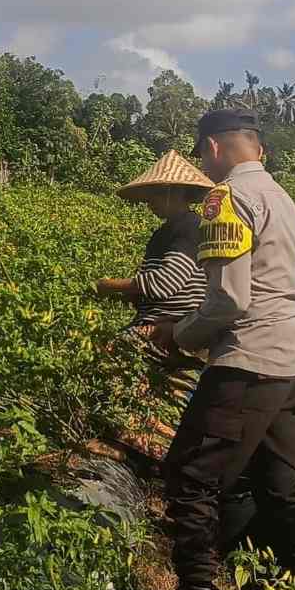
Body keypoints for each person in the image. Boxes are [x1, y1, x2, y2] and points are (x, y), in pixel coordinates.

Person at [158, 109, 295, 590]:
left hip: (249, 362)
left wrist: (178, 334)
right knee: (280, 489)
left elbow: (229, 299)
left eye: (202, 155)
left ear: (212, 147)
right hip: (294, 363)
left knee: (190, 478)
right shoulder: (282, 197)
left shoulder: (225, 198)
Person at [92, 151, 213, 461]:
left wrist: (110, 286)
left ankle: (127, 447)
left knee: (114, 352)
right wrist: (127, 295)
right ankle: (144, 451)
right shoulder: (166, 232)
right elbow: (153, 288)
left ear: (174, 192)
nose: (149, 202)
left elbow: (165, 283)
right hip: (163, 319)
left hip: (173, 324)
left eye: (155, 194)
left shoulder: (188, 228)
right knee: (155, 392)